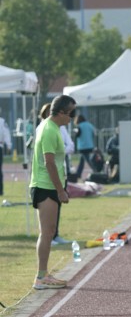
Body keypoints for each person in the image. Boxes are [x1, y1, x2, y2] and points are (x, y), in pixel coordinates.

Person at [30, 95, 77, 290]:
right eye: (71, 113)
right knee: (47, 232)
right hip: (45, 187)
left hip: (49, 186)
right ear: (61, 112)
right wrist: (60, 190)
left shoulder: (53, 127)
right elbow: (49, 162)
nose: (73, 117)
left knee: (49, 232)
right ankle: (41, 276)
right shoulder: (49, 130)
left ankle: (44, 274)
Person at [38, 103, 73, 246]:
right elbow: (44, 156)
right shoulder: (43, 128)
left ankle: (55, 234)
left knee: (58, 205)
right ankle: (48, 237)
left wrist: (60, 151)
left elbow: (70, 145)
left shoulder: (61, 129)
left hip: (60, 171)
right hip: (45, 177)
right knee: (46, 210)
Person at [74, 114, 96, 179]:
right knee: (82, 159)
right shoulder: (89, 125)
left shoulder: (79, 126)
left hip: (82, 146)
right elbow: (94, 133)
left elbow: (77, 135)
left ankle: (95, 170)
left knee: (87, 160)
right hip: (90, 145)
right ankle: (78, 173)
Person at [0, 108, 12, 196]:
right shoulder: (2, 121)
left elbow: (6, 133)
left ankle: (0, 190)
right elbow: (6, 133)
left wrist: (8, 144)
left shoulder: (2, 121)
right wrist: (8, 145)